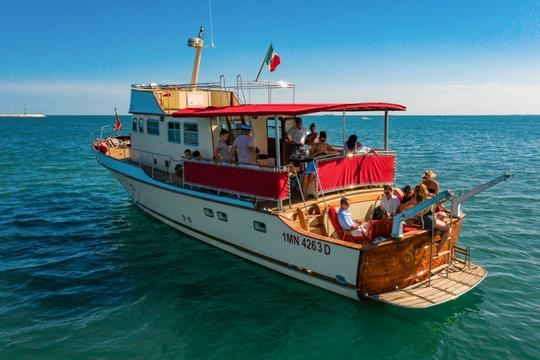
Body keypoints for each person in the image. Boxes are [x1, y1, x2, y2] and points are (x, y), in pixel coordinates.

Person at [405, 184, 451, 251]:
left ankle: (440, 228)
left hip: (421, 220)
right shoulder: (428, 199)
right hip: (429, 220)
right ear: (425, 190)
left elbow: (404, 207)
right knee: (448, 229)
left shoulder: (413, 200)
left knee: (443, 214)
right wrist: (447, 198)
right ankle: (440, 247)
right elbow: (439, 202)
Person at [301, 131, 339, 196]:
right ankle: (304, 194)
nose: (322, 141)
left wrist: (327, 152)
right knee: (306, 175)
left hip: (320, 163)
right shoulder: (315, 145)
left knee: (312, 175)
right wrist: (317, 152)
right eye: (321, 139)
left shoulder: (326, 145)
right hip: (314, 161)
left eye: (323, 140)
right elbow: (310, 156)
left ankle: (305, 189)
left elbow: (336, 152)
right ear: (319, 138)